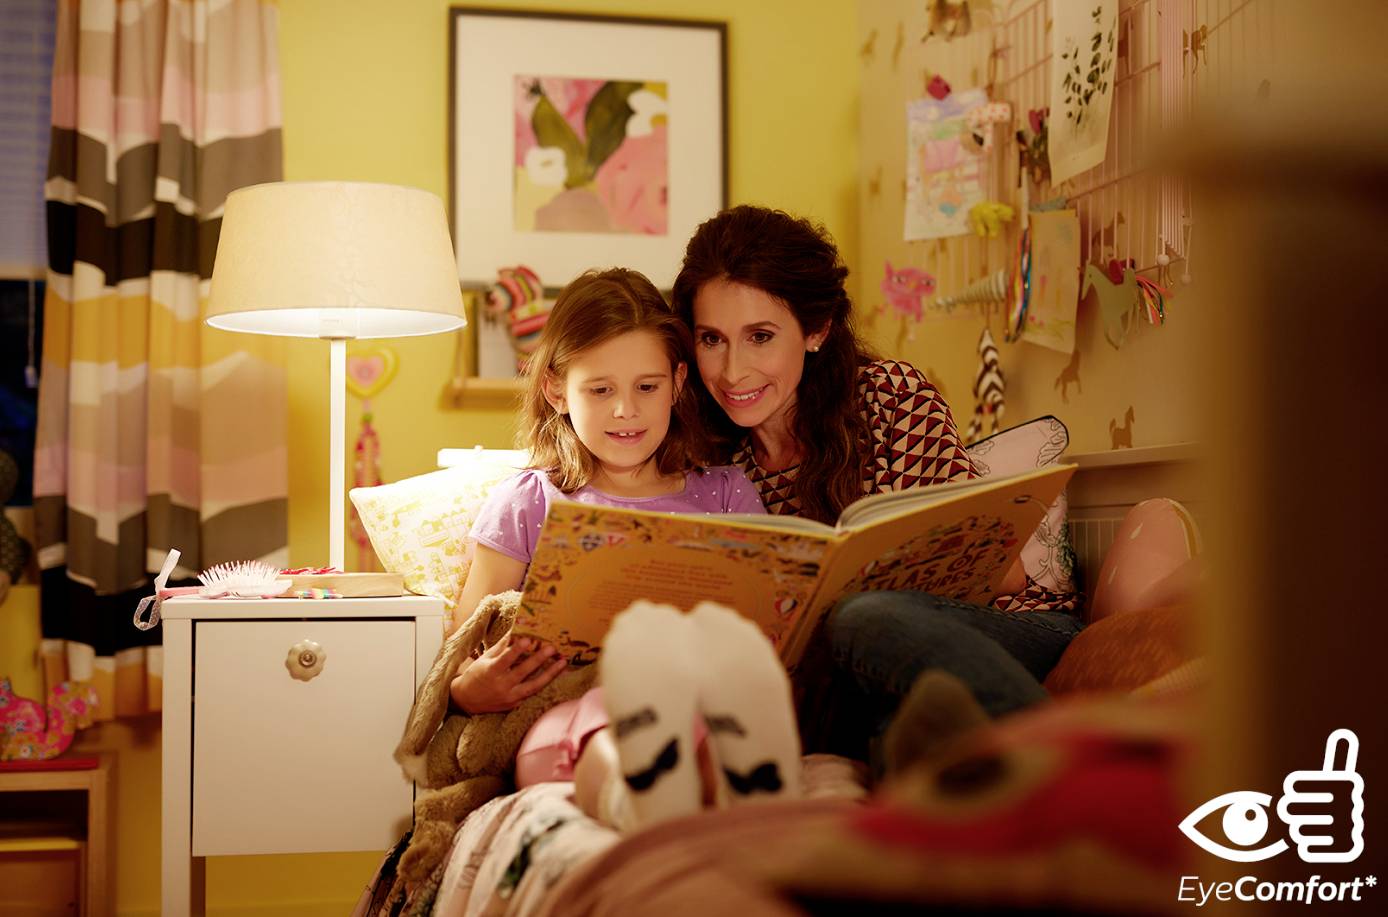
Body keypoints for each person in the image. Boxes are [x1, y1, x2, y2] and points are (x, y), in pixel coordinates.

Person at [669, 204, 1084, 771]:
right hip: (843, 678)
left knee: (866, 617)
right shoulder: (710, 459)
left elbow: (997, 571)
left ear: (816, 331)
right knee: (882, 729)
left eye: (760, 336)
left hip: (1005, 629)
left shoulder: (887, 396)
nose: (733, 371)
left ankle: (1076, 766)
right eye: (711, 339)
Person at [446, 265, 765, 717]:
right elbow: (460, 659)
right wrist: (466, 693)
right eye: (600, 390)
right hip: (566, 721)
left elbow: (768, 641)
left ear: (676, 383)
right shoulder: (530, 501)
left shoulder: (728, 496)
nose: (625, 410)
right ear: (556, 392)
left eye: (647, 387)